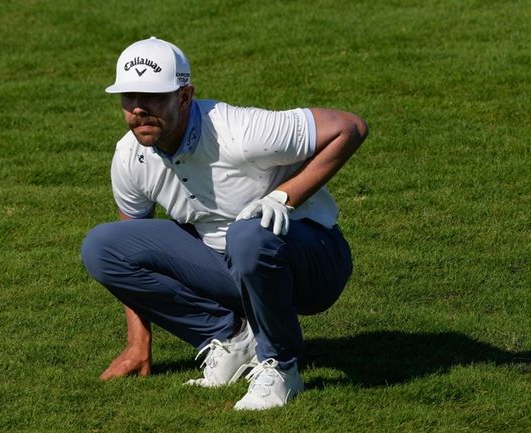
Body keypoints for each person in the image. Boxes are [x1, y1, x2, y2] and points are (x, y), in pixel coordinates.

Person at [81, 36, 368, 410]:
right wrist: (138, 342)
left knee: (247, 232)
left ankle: (281, 367)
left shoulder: (240, 132)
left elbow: (350, 127)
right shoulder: (130, 155)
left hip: (313, 262)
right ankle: (231, 337)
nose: (138, 109)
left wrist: (283, 196)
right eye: (129, 98)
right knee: (104, 245)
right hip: (231, 268)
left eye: (152, 97)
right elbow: (130, 240)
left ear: (184, 96)